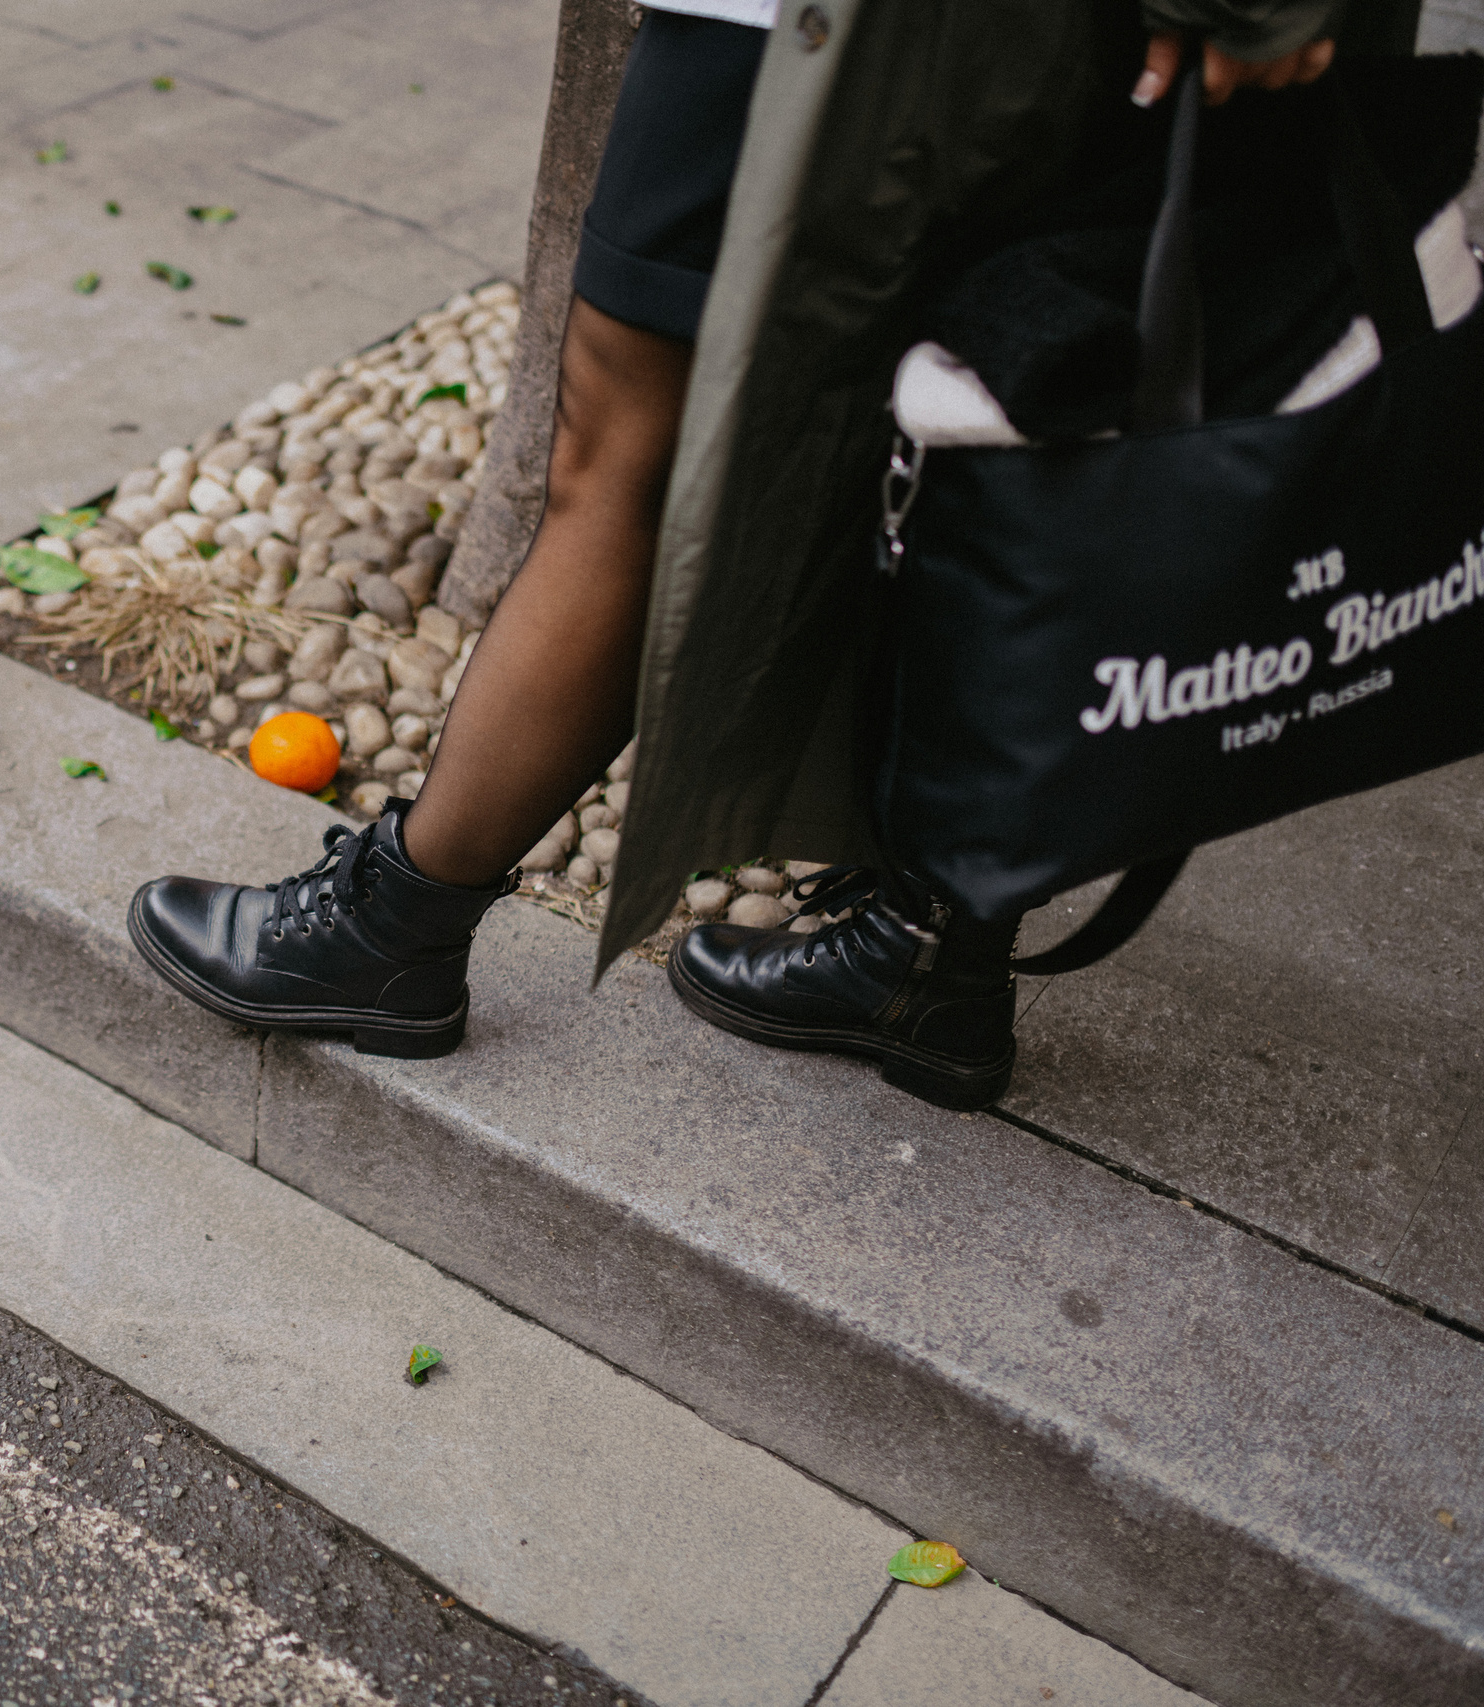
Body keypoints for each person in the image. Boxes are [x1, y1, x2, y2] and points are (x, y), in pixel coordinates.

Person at [128, 0, 1419, 1109]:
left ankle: (390, 932)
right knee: (992, 432)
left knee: (630, 456)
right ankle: (929, 957)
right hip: (988, 36)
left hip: (848, 31)